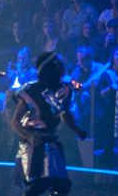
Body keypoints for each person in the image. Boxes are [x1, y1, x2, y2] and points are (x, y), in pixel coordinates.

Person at [10, 52, 87, 196]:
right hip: (33, 145)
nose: (62, 67)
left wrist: (77, 130)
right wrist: (30, 136)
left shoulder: (64, 91)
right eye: (58, 64)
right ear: (50, 69)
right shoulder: (30, 90)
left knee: (61, 186)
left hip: (51, 142)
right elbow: (14, 121)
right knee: (38, 185)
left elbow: (64, 113)